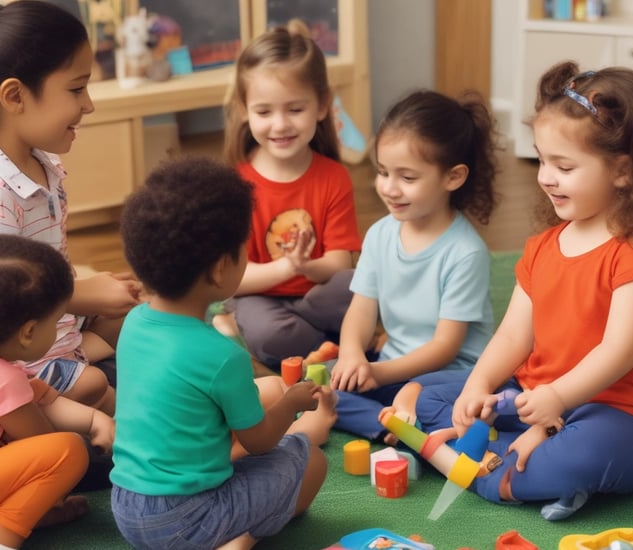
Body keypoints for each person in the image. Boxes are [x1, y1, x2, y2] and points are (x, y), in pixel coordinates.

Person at [408, 61, 633, 521]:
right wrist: (480, 386)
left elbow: (617, 353)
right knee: (429, 396)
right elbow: (511, 338)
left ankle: (481, 466)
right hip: (537, 397)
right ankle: (517, 457)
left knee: (580, 455)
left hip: (629, 416)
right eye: (541, 159)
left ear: (625, 171)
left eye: (563, 166)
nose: (545, 177)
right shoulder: (544, 247)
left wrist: (558, 401)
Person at [0, 1, 142, 415]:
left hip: (51, 324)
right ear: (14, 96)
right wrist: (80, 296)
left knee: (137, 312)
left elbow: (48, 264)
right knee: (103, 390)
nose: (89, 104)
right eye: (77, 89)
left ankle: (87, 359)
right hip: (12, 353)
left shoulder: (41, 164)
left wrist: (87, 292)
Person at [111, 157, 333, 550]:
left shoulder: (133, 323)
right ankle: (234, 537)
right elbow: (260, 441)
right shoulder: (221, 355)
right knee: (307, 459)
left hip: (127, 509)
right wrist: (291, 402)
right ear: (218, 270)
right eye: (244, 248)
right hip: (187, 517)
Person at [329, 89, 498, 441]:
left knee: (433, 400)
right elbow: (361, 310)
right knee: (320, 388)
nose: (389, 188)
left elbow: (445, 347)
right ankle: (397, 426)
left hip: (449, 376)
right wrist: (351, 356)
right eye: (383, 172)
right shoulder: (379, 234)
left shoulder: (465, 252)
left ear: (453, 177)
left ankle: (402, 423)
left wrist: (377, 374)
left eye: (407, 178)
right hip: (393, 368)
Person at [0, 233, 115, 550]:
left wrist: (95, 420)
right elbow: (42, 442)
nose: (58, 329)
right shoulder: (0, 380)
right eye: (56, 321)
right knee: (68, 451)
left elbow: (41, 398)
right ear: (28, 332)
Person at [222, 19, 362, 371]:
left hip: (319, 295)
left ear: (322, 105)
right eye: (264, 112)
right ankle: (339, 342)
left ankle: (316, 341)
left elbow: (339, 265)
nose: (280, 125)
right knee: (274, 334)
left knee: (361, 286)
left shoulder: (333, 177)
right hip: (259, 298)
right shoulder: (235, 183)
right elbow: (232, 278)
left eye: (295, 109)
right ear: (244, 110)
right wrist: (286, 267)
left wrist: (304, 266)